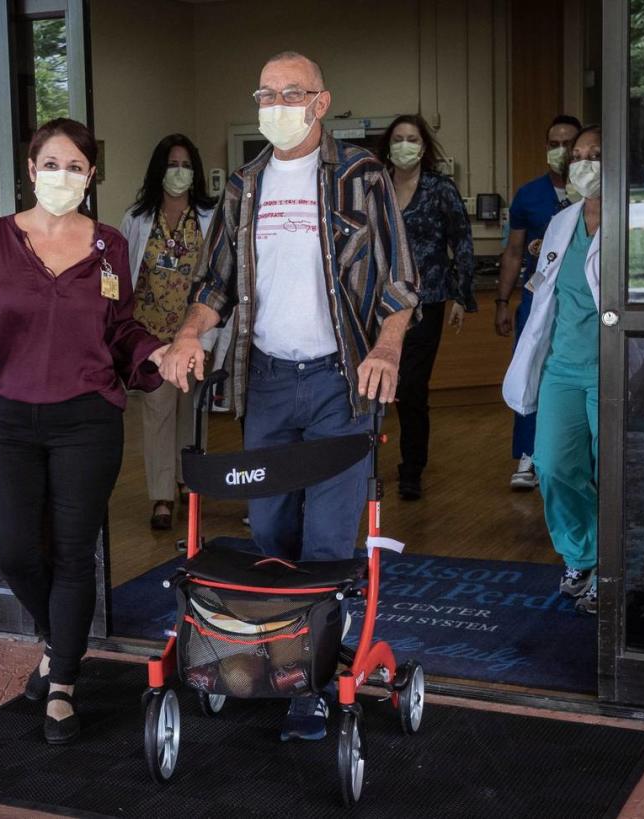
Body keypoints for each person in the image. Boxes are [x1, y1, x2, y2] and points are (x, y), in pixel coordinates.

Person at [159, 51, 418, 740]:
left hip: (341, 380)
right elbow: (214, 285)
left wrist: (388, 346)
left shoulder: (360, 176)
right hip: (269, 381)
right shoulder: (245, 186)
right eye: (265, 92)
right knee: (270, 532)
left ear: (320, 101)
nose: (274, 102)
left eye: (289, 91)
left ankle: (318, 680)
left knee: (332, 541)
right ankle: (277, 657)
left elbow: (400, 279)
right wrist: (189, 336)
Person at [0, 118, 167, 744]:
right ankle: (57, 641)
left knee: (75, 552)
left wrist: (154, 354)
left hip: (88, 417)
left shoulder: (109, 247)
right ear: (30, 169)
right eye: (52, 164)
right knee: (15, 548)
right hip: (14, 417)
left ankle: (62, 684)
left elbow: (121, 328)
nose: (63, 176)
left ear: (92, 175)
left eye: (76, 166)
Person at [503, 124, 602, 616]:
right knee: (555, 466)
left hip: (614, 369)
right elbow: (544, 292)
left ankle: (615, 567)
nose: (582, 162)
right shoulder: (562, 223)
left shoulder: (633, 224)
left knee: (617, 474)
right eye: (577, 154)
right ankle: (582, 556)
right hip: (563, 366)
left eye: (595, 154)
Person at [121, 134, 218, 531]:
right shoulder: (138, 218)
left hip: (193, 331)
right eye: (171, 164)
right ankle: (161, 496)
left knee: (191, 411)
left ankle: (186, 480)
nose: (178, 173)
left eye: (185, 165)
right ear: (158, 169)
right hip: (152, 335)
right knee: (158, 411)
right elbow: (123, 273)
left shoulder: (211, 216)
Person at [377, 114, 475, 500]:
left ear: (424, 147)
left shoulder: (439, 189)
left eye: (412, 139)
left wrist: (462, 297)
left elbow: (462, 242)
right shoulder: (375, 185)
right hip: (378, 303)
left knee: (412, 388)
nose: (405, 145)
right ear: (388, 145)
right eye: (398, 138)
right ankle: (362, 464)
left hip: (427, 299)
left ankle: (411, 468)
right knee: (373, 385)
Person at [495, 114, 582, 490]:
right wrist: (502, 300)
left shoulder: (598, 195)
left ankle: (577, 456)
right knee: (530, 369)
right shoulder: (529, 194)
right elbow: (514, 251)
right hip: (537, 298)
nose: (560, 151)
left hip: (580, 302)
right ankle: (529, 455)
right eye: (553, 144)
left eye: (569, 144)